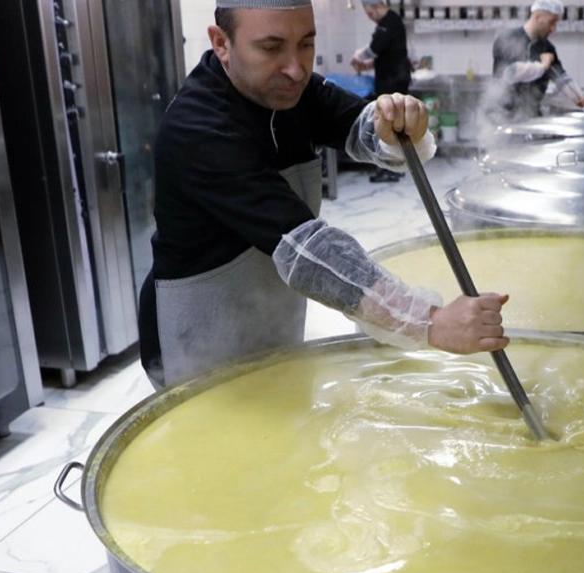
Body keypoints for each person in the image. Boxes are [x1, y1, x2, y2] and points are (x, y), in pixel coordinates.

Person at [138, 0, 509, 389]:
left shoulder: (293, 92)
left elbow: (360, 126)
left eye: (306, 44)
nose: (296, 69)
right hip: (198, 339)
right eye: (271, 47)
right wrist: (429, 322)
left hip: (267, 319)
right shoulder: (198, 128)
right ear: (221, 43)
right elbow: (309, 250)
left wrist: (397, 124)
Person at [490, 0, 584, 121]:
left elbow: (562, 79)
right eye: (551, 22)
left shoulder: (547, 48)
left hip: (531, 116)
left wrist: (581, 99)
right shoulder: (507, 39)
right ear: (537, 16)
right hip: (504, 117)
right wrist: (542, 66)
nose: (553, 29)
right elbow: (510, 73)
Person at [351, 0, 412, 183]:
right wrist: (368, 65)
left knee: (390, 125)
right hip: (392, 79)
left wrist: (358, 56)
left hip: (393, 82)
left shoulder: (389, 22)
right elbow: (385, 54)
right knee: (393, 124)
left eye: (370, 14)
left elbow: (373, 50)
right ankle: (393, 166)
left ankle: (392, 169)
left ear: (377, 6)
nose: (371, 18)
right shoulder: (389, 22)